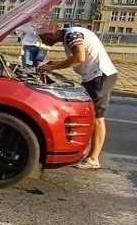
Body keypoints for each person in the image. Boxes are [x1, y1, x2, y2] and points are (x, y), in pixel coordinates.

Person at [37, 23, 118, 169]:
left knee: (98, 118)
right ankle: (88, 152)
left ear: (50, 34)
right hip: (94, 76)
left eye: (42, 38)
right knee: (91, 116)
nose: (42, 42)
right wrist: (54, 63)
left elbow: (79, 57)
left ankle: (93, 159)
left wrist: (52, 67)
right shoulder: (72, 33)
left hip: (99, 77)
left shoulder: (72, 35)